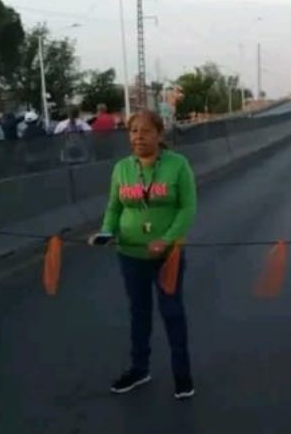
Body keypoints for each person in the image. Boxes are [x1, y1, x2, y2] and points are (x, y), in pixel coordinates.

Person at [91, 109, 197, 400]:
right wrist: (106, 231)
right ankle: (140, 369)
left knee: (172, 312)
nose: (138, 137)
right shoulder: (122, 168)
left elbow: (188, 208)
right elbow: (114, 207)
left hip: (168, 257)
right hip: (130, 254)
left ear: (159, 135)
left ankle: (183, 375)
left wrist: (167, 239)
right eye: (133, 131)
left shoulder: (178, 165)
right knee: (139, 313)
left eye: (145, 131)